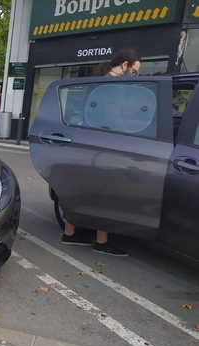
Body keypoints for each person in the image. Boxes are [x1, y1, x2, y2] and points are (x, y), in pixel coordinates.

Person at [61, 48, 141, 257]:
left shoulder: (98, 81)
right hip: (105, 145)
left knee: (84, 190)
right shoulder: (112, 85)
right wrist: (133, 133)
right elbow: (113, 117)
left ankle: (70, 234)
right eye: (134, 71)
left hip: (87, 142)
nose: (134, 75)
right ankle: (101, 241)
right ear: (125, 65)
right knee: (105, 194)